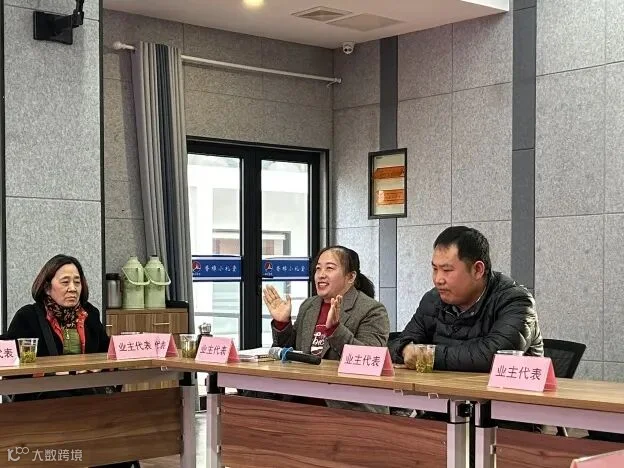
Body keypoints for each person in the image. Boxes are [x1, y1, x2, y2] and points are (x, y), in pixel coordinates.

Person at [3, 254, 139, 468]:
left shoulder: (90, 314)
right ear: (47, 287)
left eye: (77, 282)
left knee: (120, 424)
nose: (73, 288)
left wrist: (100, 368)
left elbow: (107, 353)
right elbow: (9, 358)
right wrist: (49, 373)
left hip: (88, 396)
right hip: (44, 401)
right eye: (65, 282)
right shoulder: (28, 317)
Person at [389, 226, 543, 372]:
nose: (438, 279)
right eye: (435, 269)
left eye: (447, 270)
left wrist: (427, 355)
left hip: (503, 391)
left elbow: (494, 356)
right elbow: (399, 342)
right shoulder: (433, 299)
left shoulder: (515, 301)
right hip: (445, 389)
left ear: (478, 270)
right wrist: (404, 349)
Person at [263, 245, 390, 412]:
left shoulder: (372, 310)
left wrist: (335, 330)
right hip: (300, 399)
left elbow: (370, 361)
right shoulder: (309, 306)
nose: (321, 275)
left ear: (350, 277)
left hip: (348, 405)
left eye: (329, 268)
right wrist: (282, 323)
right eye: (318, 269)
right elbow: (289, 352)